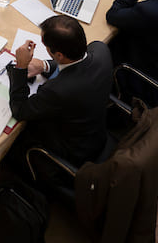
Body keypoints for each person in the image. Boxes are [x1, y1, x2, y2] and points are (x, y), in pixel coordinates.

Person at [7, 16, 113, 166]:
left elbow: (20, 110)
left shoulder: (57, 90)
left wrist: (21, 67)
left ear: (59, 55)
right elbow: (76, 64)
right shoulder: (100, 49)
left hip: (71, 151)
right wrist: (45, 65)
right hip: (95, 132)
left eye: (46, 46)